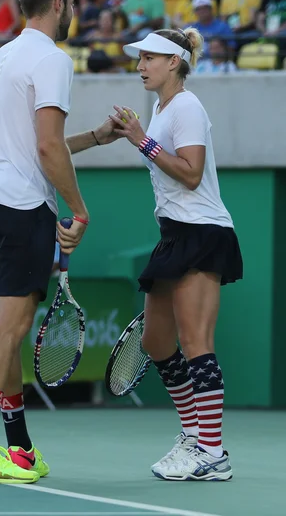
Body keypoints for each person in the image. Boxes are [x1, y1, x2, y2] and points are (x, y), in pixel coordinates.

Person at [0, 0, 119, 485]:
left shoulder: (2, 57)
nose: (75, 9)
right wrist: (79, 210)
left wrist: (95, 136)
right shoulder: (53, 59)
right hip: (23, 206)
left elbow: (37, 144)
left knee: (10, 327)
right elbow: (46, 148)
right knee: (10, 327)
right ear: (59, 3)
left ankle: (18, 445)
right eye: (73, 1)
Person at [110, 27, 243, 481]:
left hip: (203, 232)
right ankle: (194, 437)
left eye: (149, 58)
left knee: (196, 343)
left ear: (174, 62)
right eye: (139, 58)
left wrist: (141, 140)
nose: (140, 65)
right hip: (172, 234)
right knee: (156, 343)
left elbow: (191, 173)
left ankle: (213, 452)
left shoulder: (187, 105)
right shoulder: (160, 107)